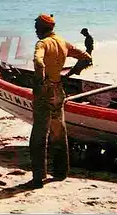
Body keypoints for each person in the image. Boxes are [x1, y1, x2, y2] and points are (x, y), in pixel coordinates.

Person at [28, 14, 92, 189]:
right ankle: (61, 172)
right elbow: (86, 57)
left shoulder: (42, 44)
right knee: (58, 131)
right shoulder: (62, 42)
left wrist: (40, 83)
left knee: (39, 133)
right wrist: (71, 73)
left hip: (45, 90)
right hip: (58, 89)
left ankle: (38, 178)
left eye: (37, 27)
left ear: (42, 28)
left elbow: (39, 62)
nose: (35, 31)